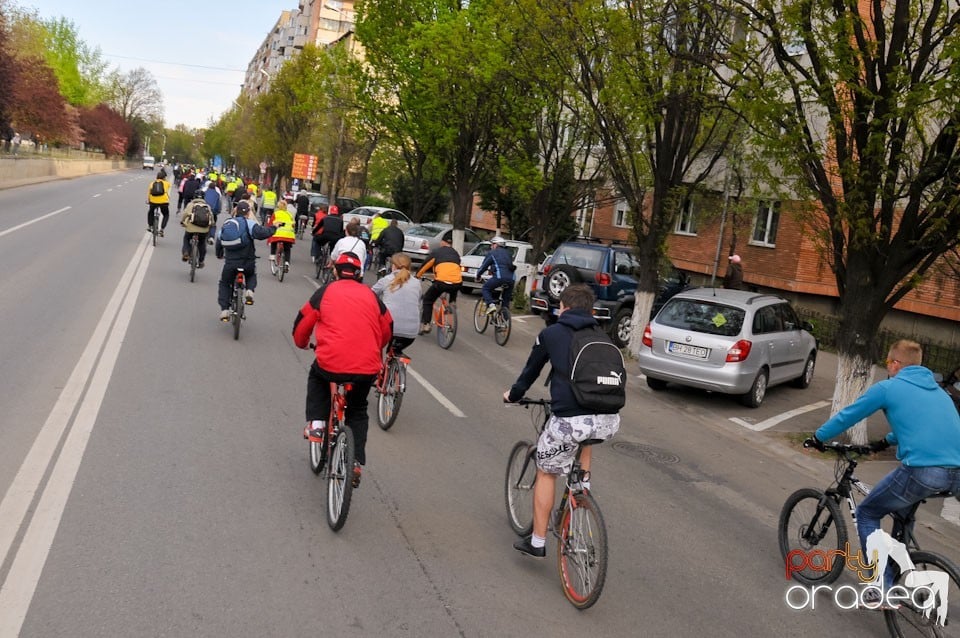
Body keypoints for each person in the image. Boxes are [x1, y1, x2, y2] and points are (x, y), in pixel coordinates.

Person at [809, 340, 960, 585]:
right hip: (956, 474)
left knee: (867, 512)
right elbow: (919, 427)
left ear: (895, 364)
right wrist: (884, 442)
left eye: (889, 362)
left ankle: (882, 586)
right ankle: (903, 567)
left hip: (923, 471)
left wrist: (818, 437)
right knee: (902, 513)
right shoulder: (938, 392)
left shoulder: (889, 388)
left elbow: (849, 414)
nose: (887, 367)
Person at [503, 284, 621, 557]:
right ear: (590, 310)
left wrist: (513, 395)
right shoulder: (603, 337)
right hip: (608, 421)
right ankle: (581, 491)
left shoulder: (552, 334)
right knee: (585, 436)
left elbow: (530, 371)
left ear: (563, 307)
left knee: (547, 472)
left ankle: (537, 542)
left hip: (570, 421)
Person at [292, 252, 393, 488]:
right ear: (359, 274)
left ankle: (317, 424)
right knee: (357, 408)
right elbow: (387, 327)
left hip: (332, 363)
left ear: (335, 271)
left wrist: (302, 343)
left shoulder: (325, 291)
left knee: (317, 376)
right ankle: (355, 461)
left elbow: (304, 321)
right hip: (366, 366)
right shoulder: (371, 295)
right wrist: (374, 347)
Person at [215, 200, 276, 321]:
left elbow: (219, 240)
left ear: (236, 211)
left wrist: (220, 254)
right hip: (247, 261)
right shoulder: (250, 224)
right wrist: (274, 228)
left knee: (225, 283)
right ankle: (249, 291)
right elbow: (262, 233)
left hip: (230, 262)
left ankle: (225, 310)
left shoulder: (228, 223)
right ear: (248, 213)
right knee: (251, 274)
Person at [371, 253, 421, 355]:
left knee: (374, 347)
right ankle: (396, 362)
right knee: (396, 350)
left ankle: (377, 367)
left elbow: (369, 296)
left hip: (389, 328)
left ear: (393, 266)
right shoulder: (417, 283)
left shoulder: (386, 280)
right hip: (411, 333)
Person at [415, 233, 462, 335]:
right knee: (453, 286)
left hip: (441, 282)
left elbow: (425, 265)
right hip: (457, 283)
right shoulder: (456, 253)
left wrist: (417, 276)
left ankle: (426, 324)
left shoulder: (437, 252)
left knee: (428, 299)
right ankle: (452, 303)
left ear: (442, 242)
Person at [476, 236, 515, 315]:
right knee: (505, 302)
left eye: (492, 244)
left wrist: (478, 275)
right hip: (512, 279)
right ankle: (504, 323)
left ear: (496, 245)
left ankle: (491, 305)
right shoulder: (508, 253)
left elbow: (484, 266)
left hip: (499, 277)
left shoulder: (492, 253)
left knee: (485, 288)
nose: (491, 246)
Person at [180, 192, 212, 268]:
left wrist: (182, 221)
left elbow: (185, 214)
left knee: (186, 238)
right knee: (202, 243)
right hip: (203, 230)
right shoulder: (207, 206)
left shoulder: (190, 205)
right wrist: (211, 225)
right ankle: (201, 261)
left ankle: (186, 252)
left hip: (191, 228)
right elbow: (211, 218)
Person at [266, 199, 296, 271]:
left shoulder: (276, 213)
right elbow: (293, 225)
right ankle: (287, 263)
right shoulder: (289, 214)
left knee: (274, 241)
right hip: (288, 234)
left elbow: (270, 224)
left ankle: (272, 255)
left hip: (278, 233)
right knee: (287, 249)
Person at [146, 170, 172, 236]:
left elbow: (149, 193)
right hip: (164, 202)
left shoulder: (152, 183)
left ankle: (150, 226)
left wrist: (148, 200)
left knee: (150, 212)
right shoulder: (166, 183)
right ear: (164, 177)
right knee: (166, 214)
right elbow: (169, 186)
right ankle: (162, 229)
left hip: (153, 201)